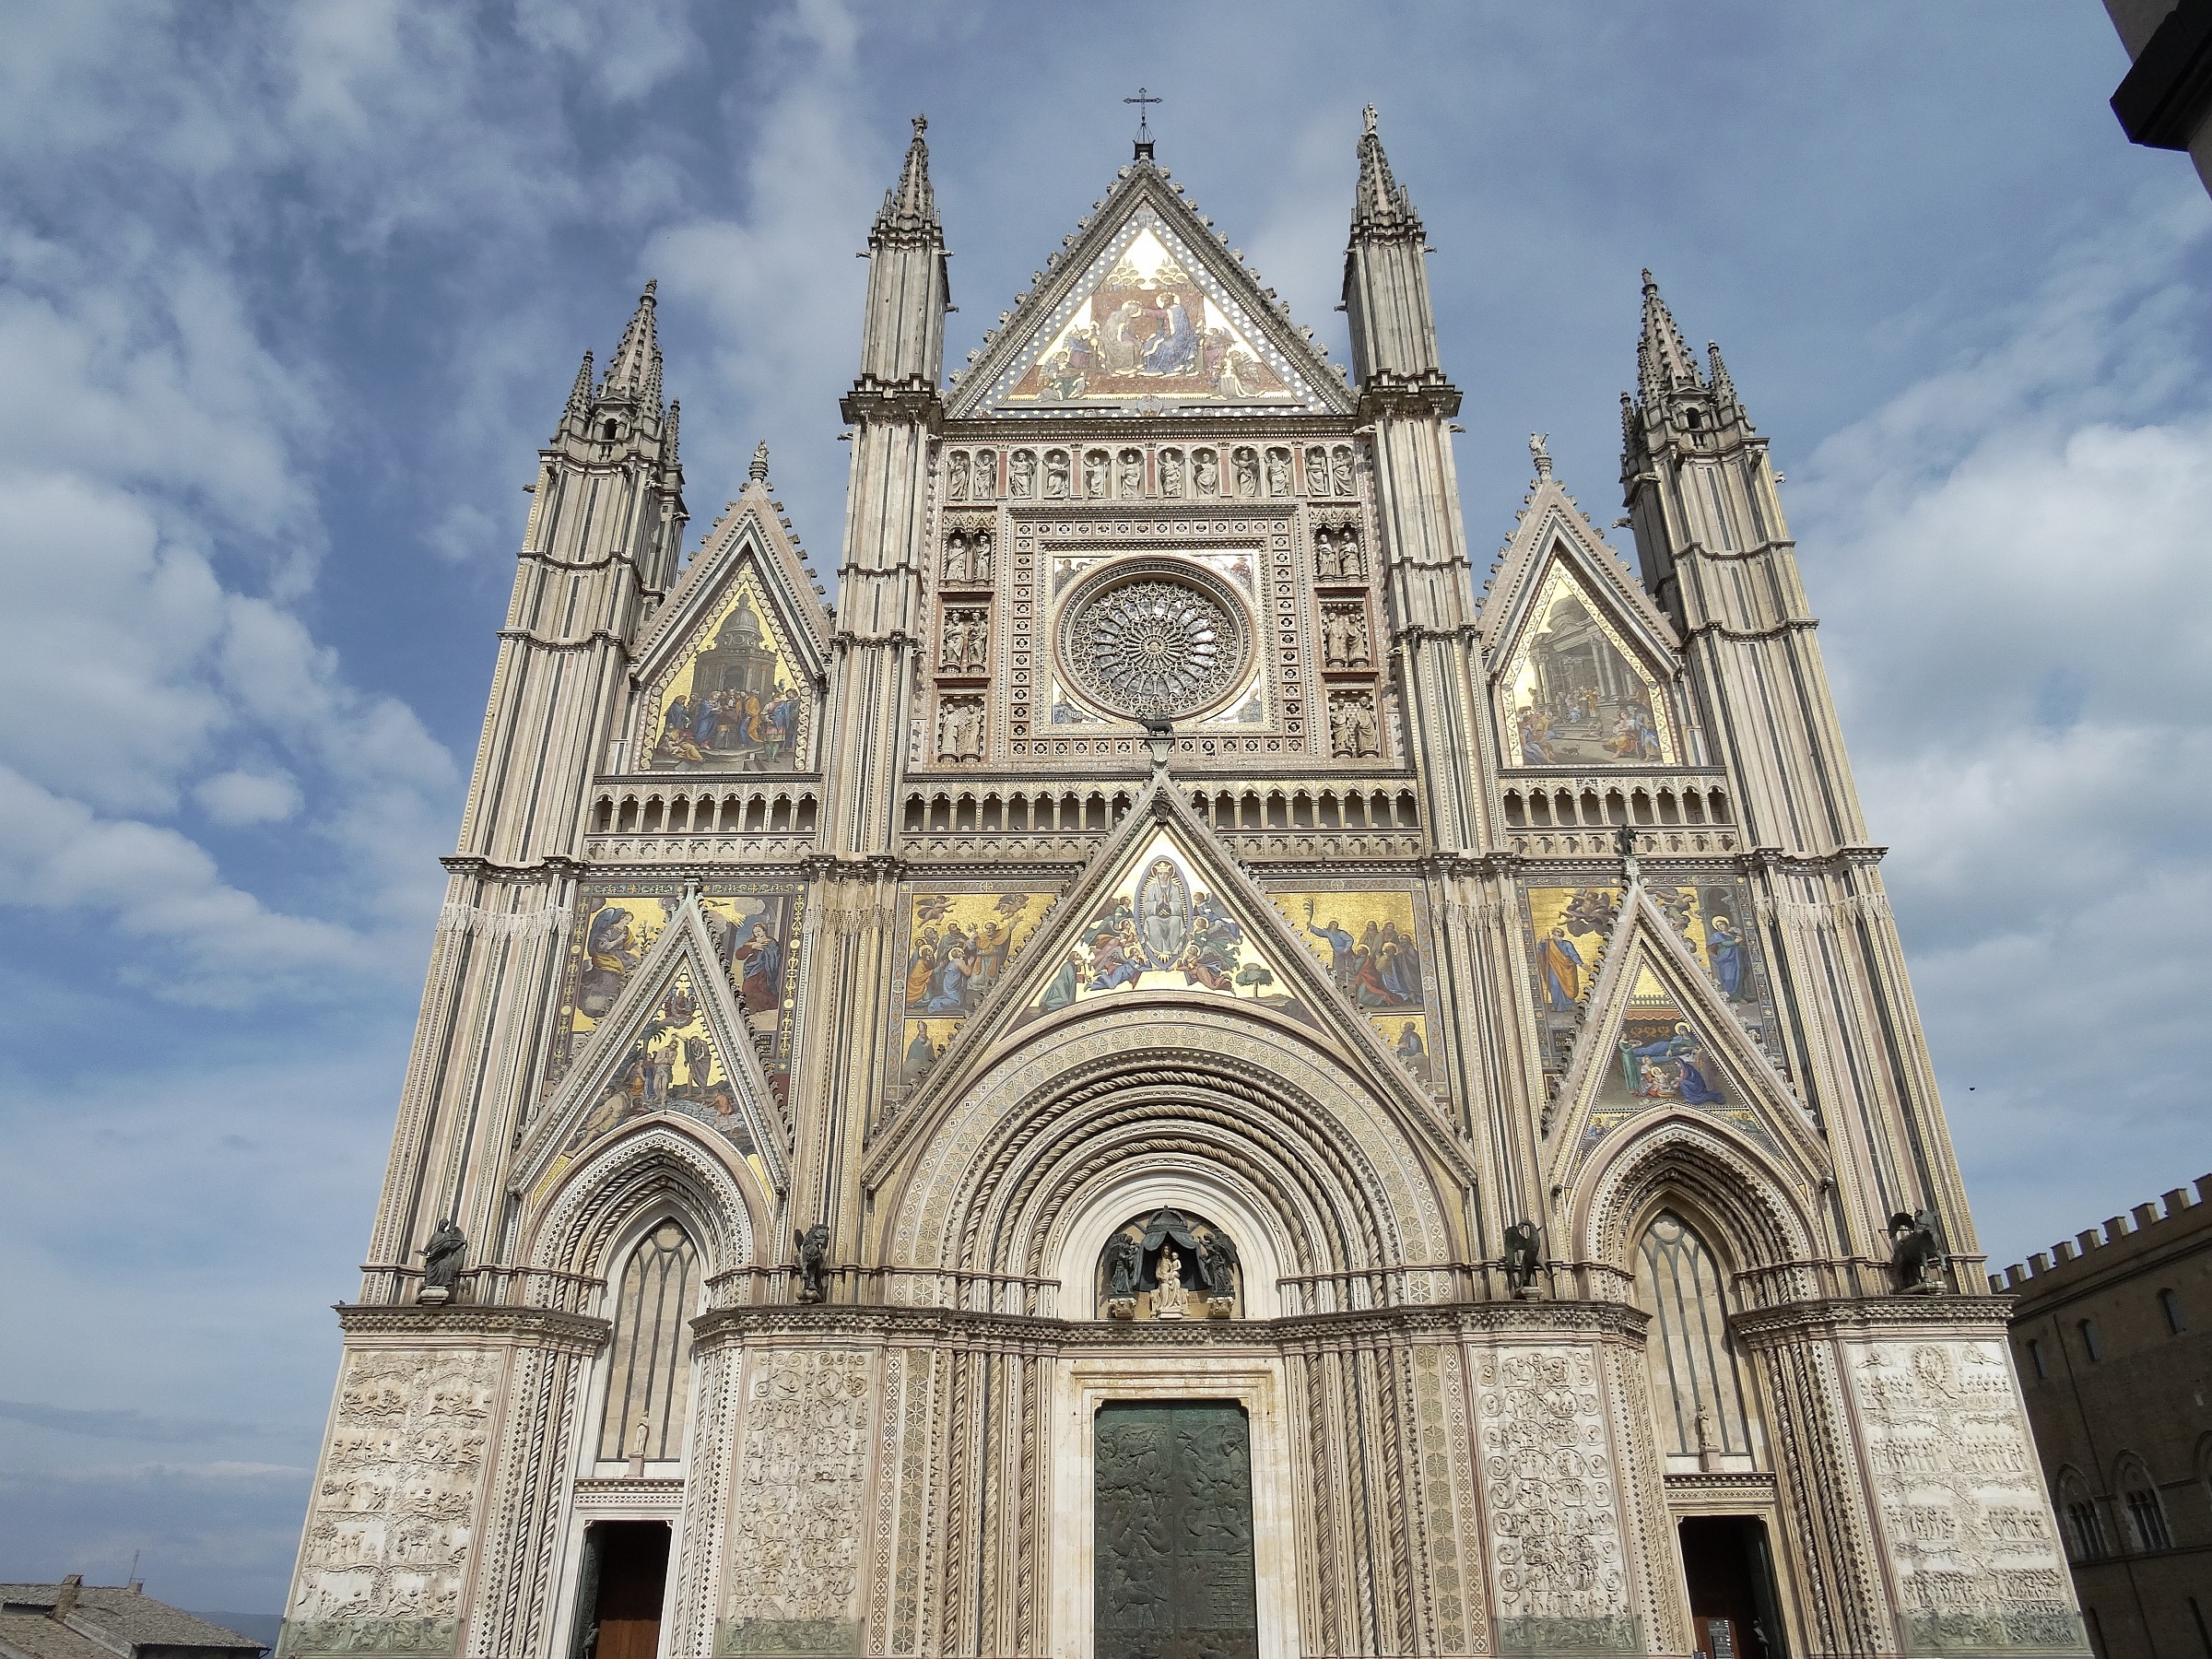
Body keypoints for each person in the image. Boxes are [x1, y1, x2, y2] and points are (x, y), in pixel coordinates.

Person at [1536, 925, 1584, 1011]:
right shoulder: (1549, 944)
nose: (1556, 936)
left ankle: (1569, 1005)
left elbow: (1573, 955)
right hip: (1555, 967)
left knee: (1569, 985)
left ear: (1561, 935)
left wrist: (1581, 964)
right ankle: (1556, 1005)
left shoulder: (1567, 944)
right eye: (1555, 934)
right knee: (1555, 985)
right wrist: (1542, 942)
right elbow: (1540, 951)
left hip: (1567, 967)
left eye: (1558, 933)